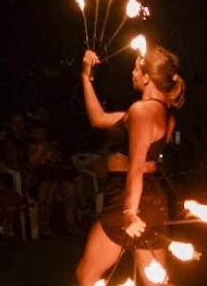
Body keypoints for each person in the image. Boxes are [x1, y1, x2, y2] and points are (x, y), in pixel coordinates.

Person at [75, 47, 186, 286]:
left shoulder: (141, 112)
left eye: (136, 68)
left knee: (86, 276)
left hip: (129, 198)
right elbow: (97, 117)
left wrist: (129, 213)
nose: (132, 73)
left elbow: (135, 167)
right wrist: (86, 76)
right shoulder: (157, 112)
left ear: (147, 77)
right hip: (151, 198)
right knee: (156, 283)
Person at [24, 122, 78, 236]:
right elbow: (31, 166)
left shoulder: (50, 146)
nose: (42, 135)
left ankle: (71, 225)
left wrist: (51, 157)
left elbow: (57, 162)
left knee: (70, 189)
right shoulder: (31, 147)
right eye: (38, 133)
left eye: (43, 133)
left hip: (54, 176)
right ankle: (43, 225)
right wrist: (41, 153)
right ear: (32, 135)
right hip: (38, 179)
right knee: (47, 191)